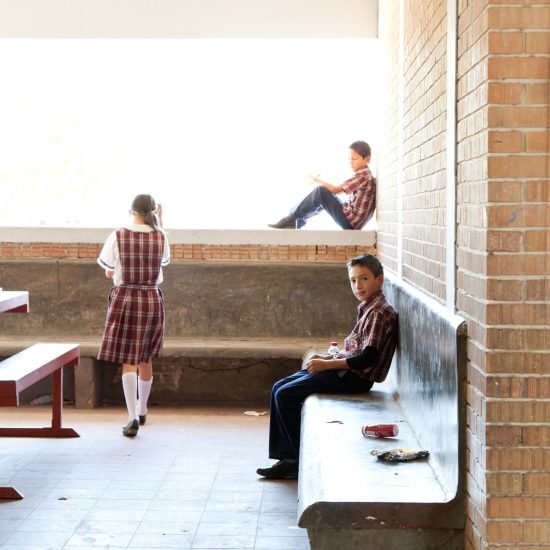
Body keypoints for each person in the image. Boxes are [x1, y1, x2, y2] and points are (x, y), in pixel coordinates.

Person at [256, 253, 397, 479]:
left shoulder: (378, 312)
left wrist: (327, 365)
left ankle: (294, 460)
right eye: (353, 280)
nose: (357, 285)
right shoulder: (368, 307)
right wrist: (327, 359)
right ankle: (286, 457)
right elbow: (356, 349)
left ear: (379, 280)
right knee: (278, 387)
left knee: (285, 394)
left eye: (364, 279)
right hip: (344, 371)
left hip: (354, 379)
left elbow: (367, 358)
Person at [97, 194, 170, 437]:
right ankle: (142, 409)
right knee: (145, 357)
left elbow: (109, 271)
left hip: (125, 298)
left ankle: (131, 418)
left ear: (131, 211)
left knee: (128, 359)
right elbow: (161, 265)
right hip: (150, 298)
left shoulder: (117, 235)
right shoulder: (160, 235)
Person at [268, 141, 376, 230]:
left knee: (321, 191)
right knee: (322, 199)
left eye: (354, 158)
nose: (350, 162)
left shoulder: (363, 176)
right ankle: (296, 221)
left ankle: (291, 220)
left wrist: (316, 180)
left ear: (367, 159)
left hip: (350, 223)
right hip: (351, 221)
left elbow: (336, 190)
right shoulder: (365, 175)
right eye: (349, 158)